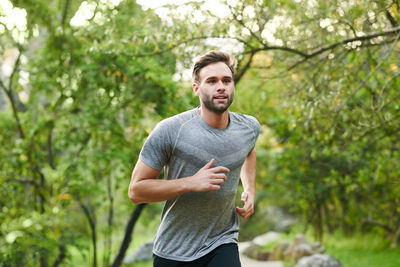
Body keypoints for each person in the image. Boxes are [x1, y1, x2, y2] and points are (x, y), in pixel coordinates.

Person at [128, 50, 260, 267]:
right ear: (196, 89)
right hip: (174, 251)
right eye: (212, 81)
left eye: (227, 80)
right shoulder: (171, 130)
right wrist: (191, 182)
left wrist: (249, 190)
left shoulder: (248, 128)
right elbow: (136, 191)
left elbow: (249, 151)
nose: (221, 87)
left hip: (222, 240)